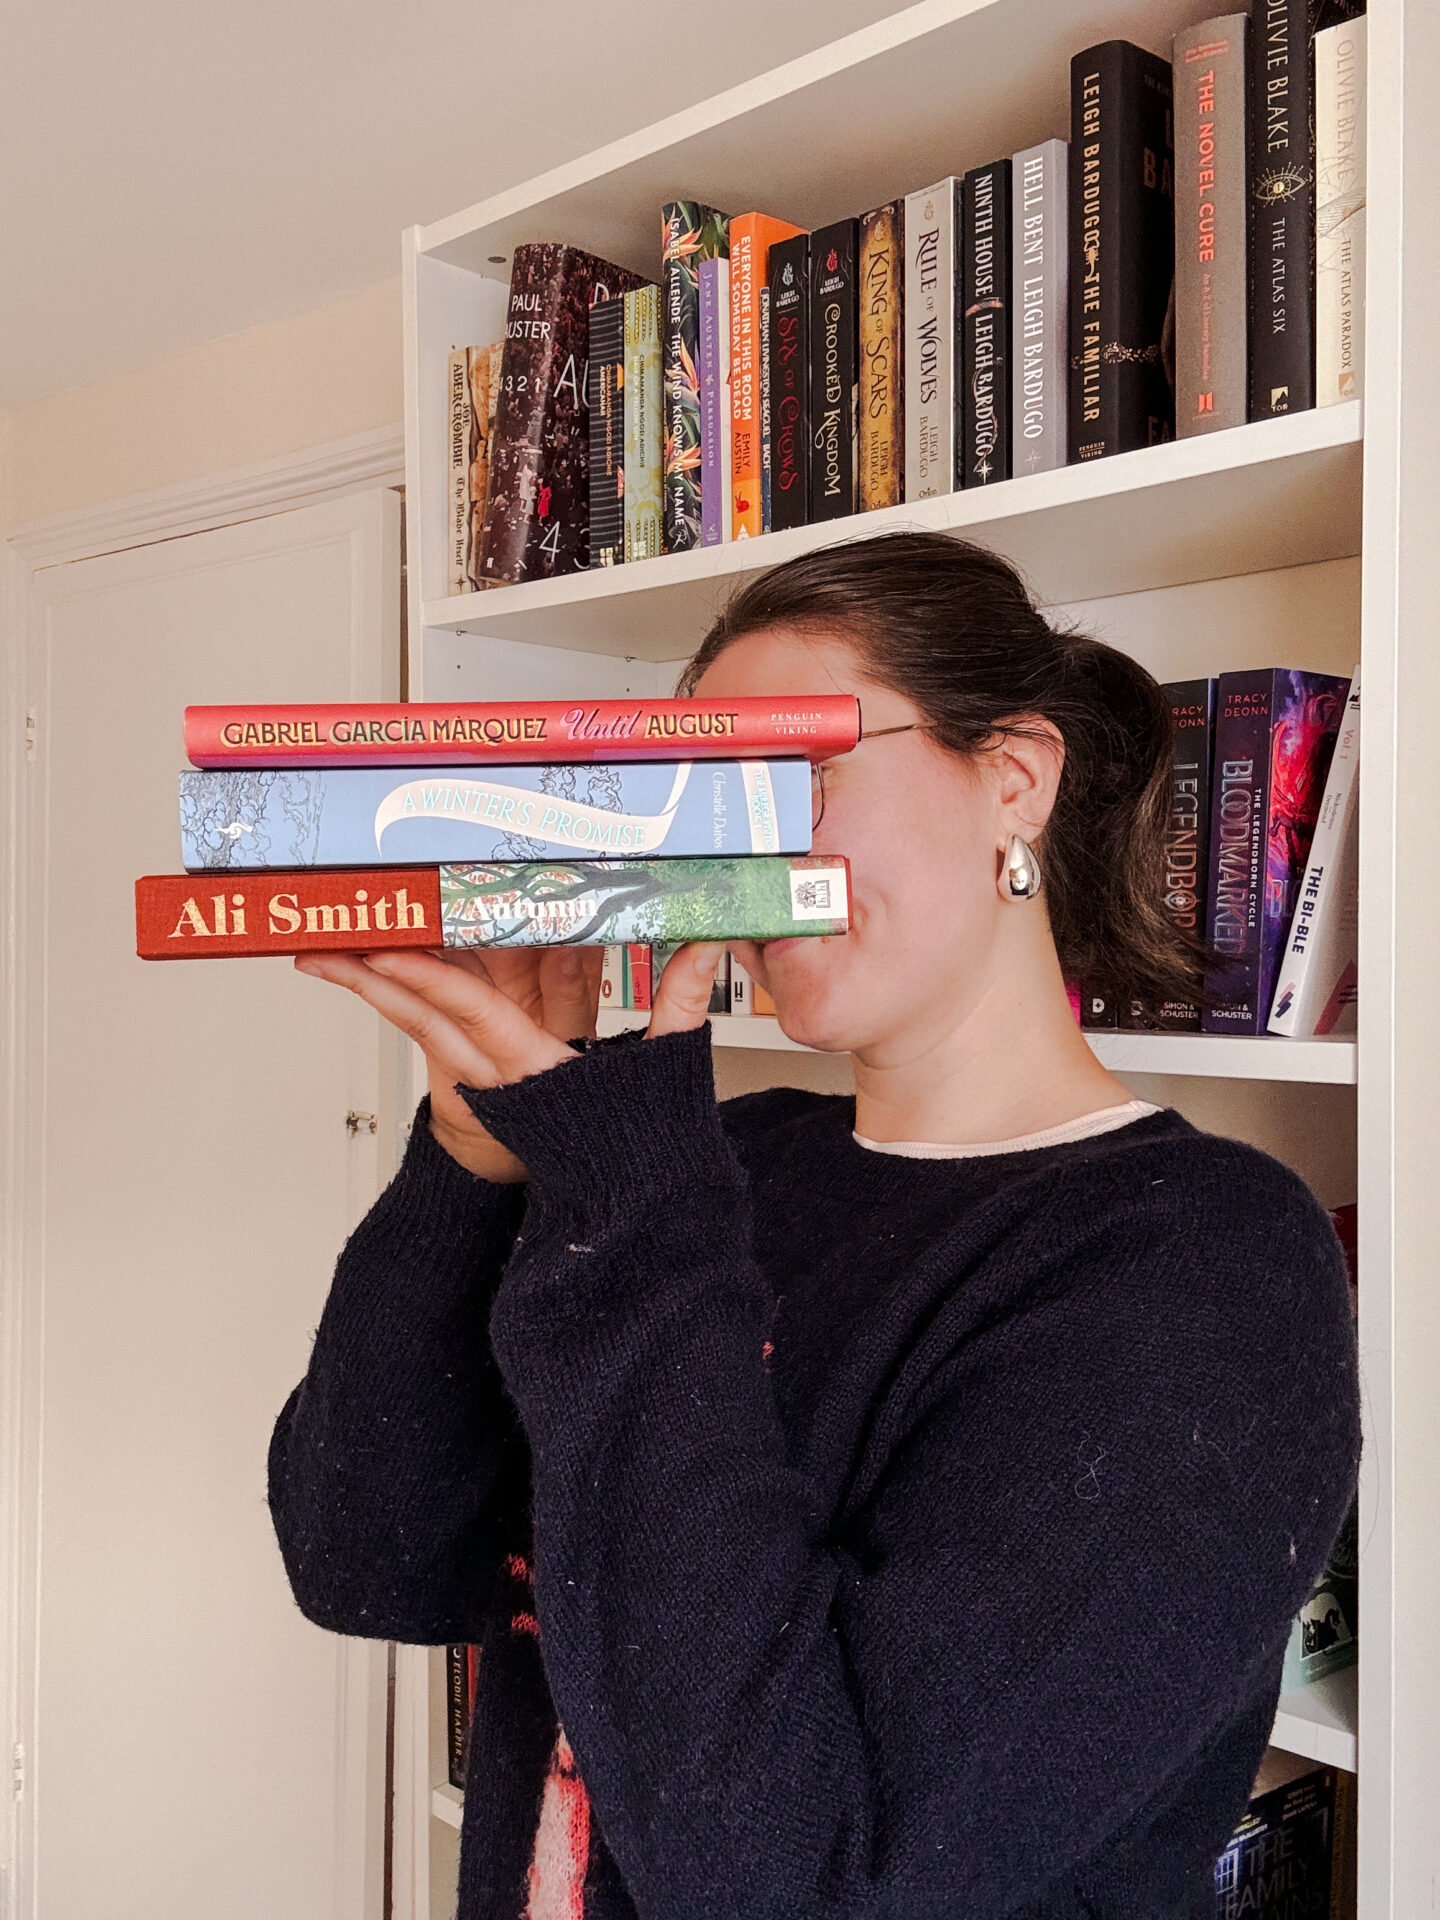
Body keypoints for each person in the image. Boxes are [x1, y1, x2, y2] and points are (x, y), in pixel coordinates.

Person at [268, 532, 1361, 1920]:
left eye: (792, 770)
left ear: (1011, 779)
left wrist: (629, 1206)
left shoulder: (1199, 1260)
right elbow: (372, 1556)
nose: (744, 846)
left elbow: (807, 1870)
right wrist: (474, 1163)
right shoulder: (706, 1168)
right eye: (701, 801)